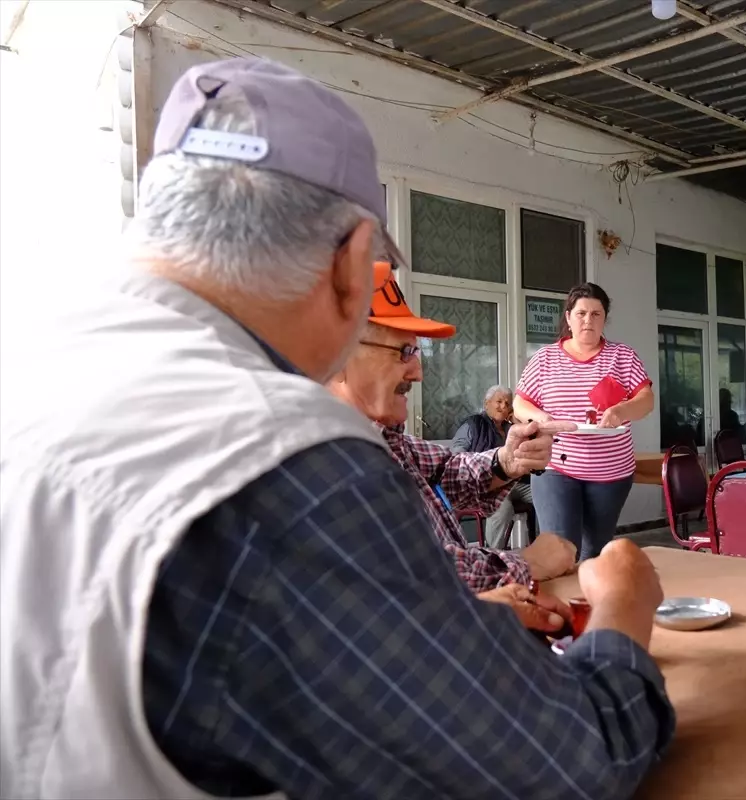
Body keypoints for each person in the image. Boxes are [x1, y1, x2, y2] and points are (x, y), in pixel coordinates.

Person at [0, 59, 675, 799]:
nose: (415, 368)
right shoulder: (281, 457)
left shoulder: (32, 370)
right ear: (354, 265)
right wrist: (623, 608)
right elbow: (560, 768)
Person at [327, 271, 574, 588]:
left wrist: (508, 460)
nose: (418, 372)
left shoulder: (385, 439)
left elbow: (447, 469)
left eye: (416, 352)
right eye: (403, 352)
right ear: (338, 357)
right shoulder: (329, 457)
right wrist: (527, 563)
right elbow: (418, 575)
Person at [514, 283, 655, 560]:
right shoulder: (545, 358)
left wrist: (621, 411)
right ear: (568, 318)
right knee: (560, 550)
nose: (588, 320)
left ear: (605, 318)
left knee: (595, 552)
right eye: (581, 314)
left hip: (611, 473)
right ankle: (558, 603)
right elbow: (520, 403)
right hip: (556, 465)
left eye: (596, 314)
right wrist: (542, 418)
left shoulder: (623, 356)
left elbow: (646, 400)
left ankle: (587, 603)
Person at [450, 384, 539, 547]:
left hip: (518, 483)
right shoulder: (474, 424)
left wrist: (516, 422)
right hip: (489, 484)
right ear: (486, 404)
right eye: (499, 401)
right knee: (502, 509)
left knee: (544, 496)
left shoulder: (510, 427)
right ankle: (494, 555)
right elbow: (457, 452)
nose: (503, 406)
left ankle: (540, 547)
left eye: (507, 403)